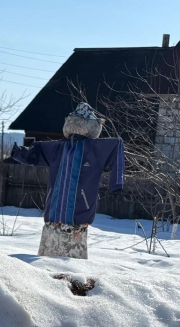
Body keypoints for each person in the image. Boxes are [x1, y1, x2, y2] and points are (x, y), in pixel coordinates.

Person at [9, 103, 124, 259]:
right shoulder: (58, 148)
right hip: (55, 215)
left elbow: (117, 146)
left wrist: (116, 183)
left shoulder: (95, 149)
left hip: (77, 214)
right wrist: (18, 152)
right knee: (50, 261)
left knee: (67, 262)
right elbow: (35, 152)